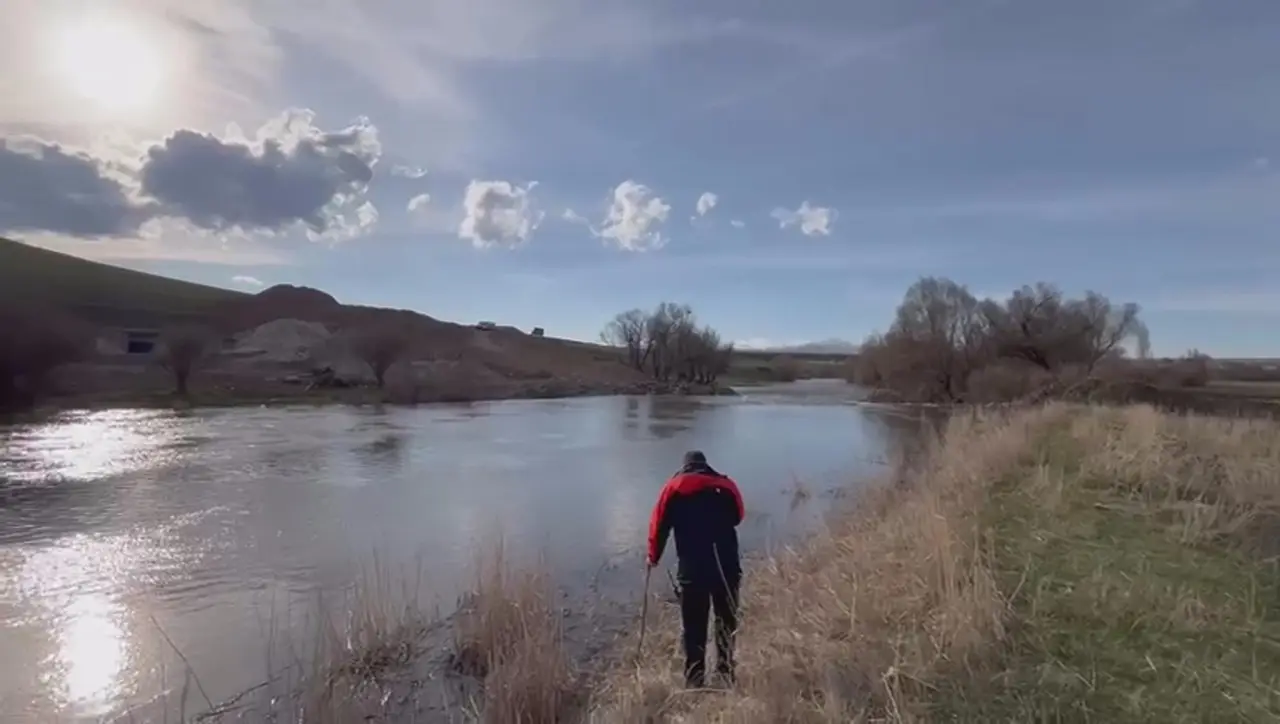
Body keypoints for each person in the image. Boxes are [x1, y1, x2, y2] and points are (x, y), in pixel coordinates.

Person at [647, 450, 745, 688]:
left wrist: (653, 557)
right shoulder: (726, 486)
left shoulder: (673, 489)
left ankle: (695, 681)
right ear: (705, 465)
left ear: (685, 467)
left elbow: (658, 526)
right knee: (726, 623)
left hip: (692, 571)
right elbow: (738, 517)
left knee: (693, 628)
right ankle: (725, 674)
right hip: (726, 567)